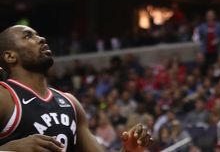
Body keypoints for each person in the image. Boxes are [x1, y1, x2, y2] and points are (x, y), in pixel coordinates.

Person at [0, 25, 153, 152]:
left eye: (38, 35)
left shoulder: (70, 102)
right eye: (28, 36)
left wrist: (127, 151)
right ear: (10, 56)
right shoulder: (4, 97)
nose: (41, 39)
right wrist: (10, 148)